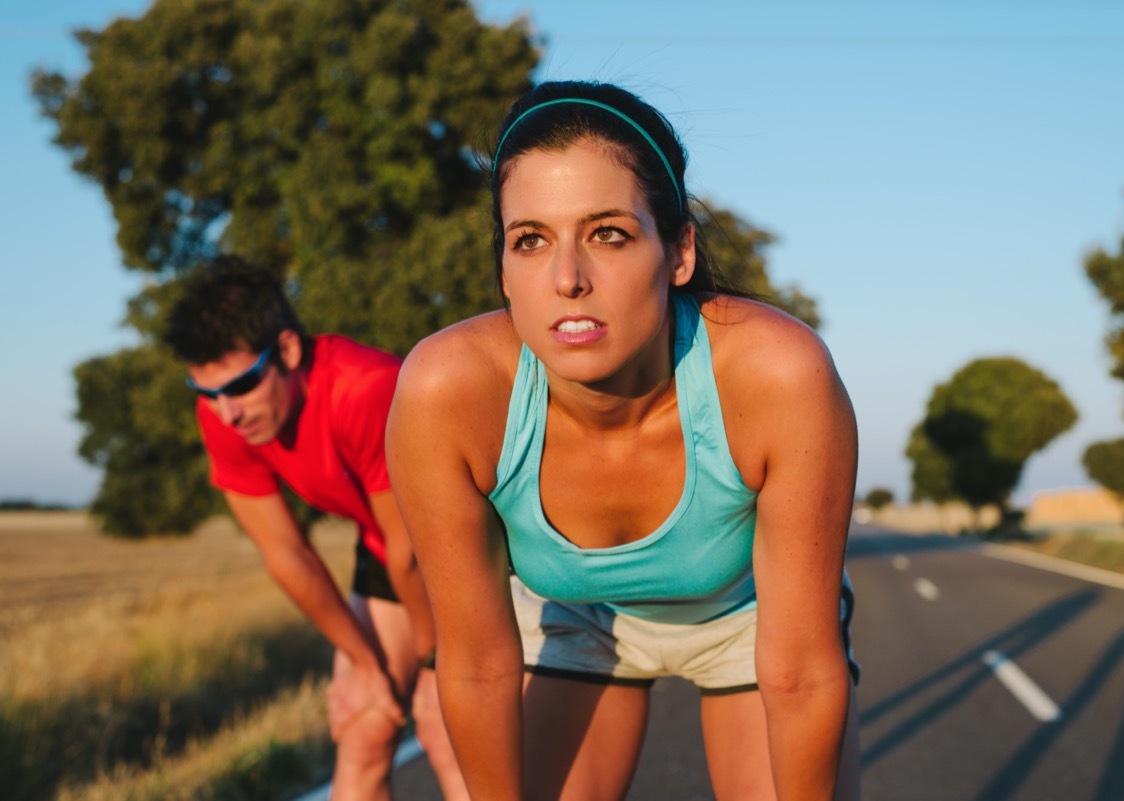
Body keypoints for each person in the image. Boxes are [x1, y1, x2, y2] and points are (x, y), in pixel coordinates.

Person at [385, 80, 862, 800]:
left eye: (608, 233)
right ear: (503, 271)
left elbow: (800, 673)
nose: (568, 278)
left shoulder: (778, 374)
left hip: (747, 617)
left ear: (678, 252)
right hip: (582, 619)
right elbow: (478, 663)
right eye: (530, 240)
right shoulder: (444, 392)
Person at [164, 259, 467, 801]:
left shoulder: (366, 389)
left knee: (447, 730)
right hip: (393, 546)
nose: (226, 412)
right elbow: (287, 556)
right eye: (207, 391)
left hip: (474, 536)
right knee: (365, 724)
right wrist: (364, 665)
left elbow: (417, 553)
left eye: (241, 385)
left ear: (287, 350)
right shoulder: (223, 414)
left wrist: (432, 664)